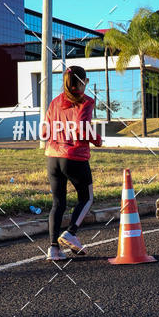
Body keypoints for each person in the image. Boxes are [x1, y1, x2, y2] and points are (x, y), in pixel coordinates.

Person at [44, 65, 102, 260]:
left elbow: (45, 131)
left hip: (52, 157)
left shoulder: (54, 102)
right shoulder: (86, 102)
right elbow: (82, 128)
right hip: (74, 156)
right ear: (82, 82)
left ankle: (53, 249)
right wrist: (97, 140)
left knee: (58, 203)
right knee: (86, 197)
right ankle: (71, 232)